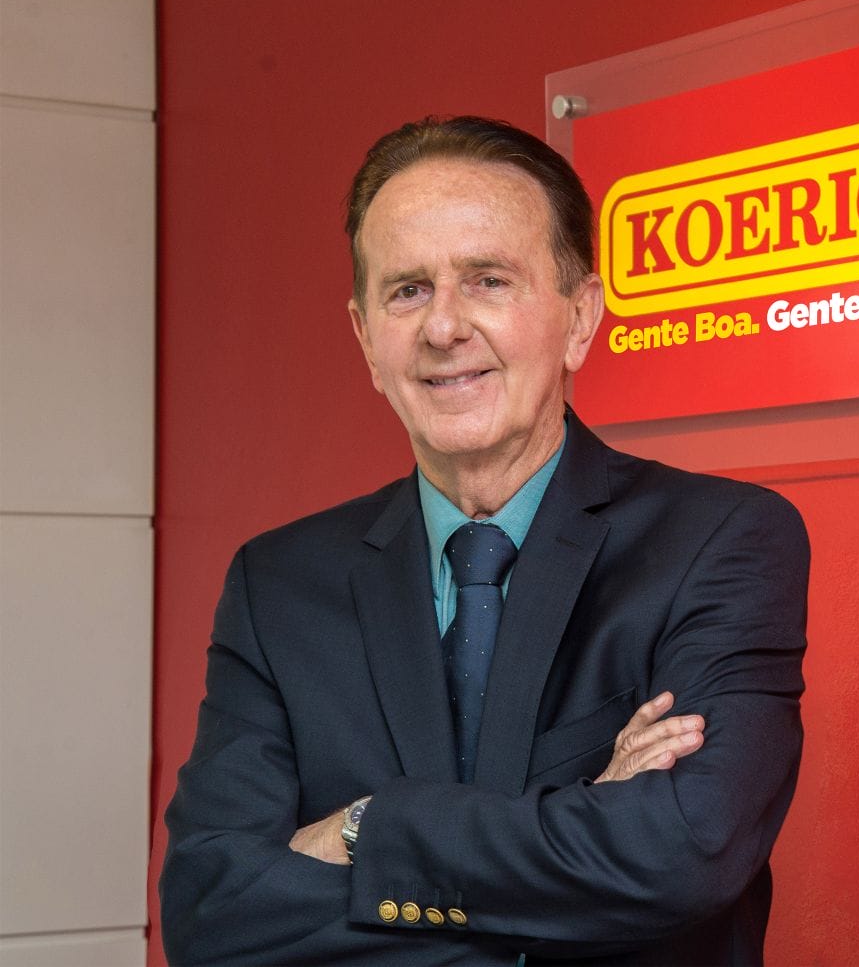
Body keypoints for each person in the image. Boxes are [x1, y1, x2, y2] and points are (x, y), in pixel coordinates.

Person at [160, 116, 809, 966]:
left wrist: (366, 827)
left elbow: (684, 852)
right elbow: (212, 912)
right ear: (366, 338)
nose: (443, 327)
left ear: (580, 318)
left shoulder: (718, 542)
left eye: (488, 280)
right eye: (407, 290)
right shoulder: (276, 585)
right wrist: (579, 838)